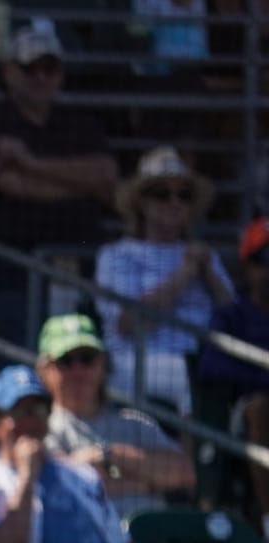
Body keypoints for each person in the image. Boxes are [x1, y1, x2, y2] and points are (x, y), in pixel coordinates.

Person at [0, 24, 118, 344]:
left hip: (76, 271)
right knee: (17, 364)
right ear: (9, 72)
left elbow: (107, 178)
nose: (41, 77)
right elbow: (12, 184)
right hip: (9, 275)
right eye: (30, 68)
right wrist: (81, 182)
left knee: (77, 362)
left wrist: (32, 164)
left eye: (50, 68)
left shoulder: (80, 123)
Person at [0, 365, 131, 543]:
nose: (31, 422)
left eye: (39, 410)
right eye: (19, 412)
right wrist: (27, 476)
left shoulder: (82, 475)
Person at [96, 147, 233, 412]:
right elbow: (129, 324)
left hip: (204, 358)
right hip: (139, 362)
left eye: (184, 195)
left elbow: (233, 318)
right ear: (142, 202)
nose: (174, 202)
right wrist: (184, 275)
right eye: (162, 193)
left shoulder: (204, 256)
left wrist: (210, 276)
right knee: (187, 380)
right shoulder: (117, 255)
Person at [34, 314, 195, 518]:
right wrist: (144, 483)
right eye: (66, 361)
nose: (78, 371)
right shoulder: (38, 428)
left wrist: (107, 455)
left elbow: (184, 474)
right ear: (43, 370)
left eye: (87, 359)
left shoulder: (135, 422)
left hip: (149, 535)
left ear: (103, 364)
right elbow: (62, 486)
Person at [200, 217, 269, 535]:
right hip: (241, 416)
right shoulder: (231, 314)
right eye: (264, 258)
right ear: (246, 266)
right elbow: (211, 367)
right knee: (262, 408)